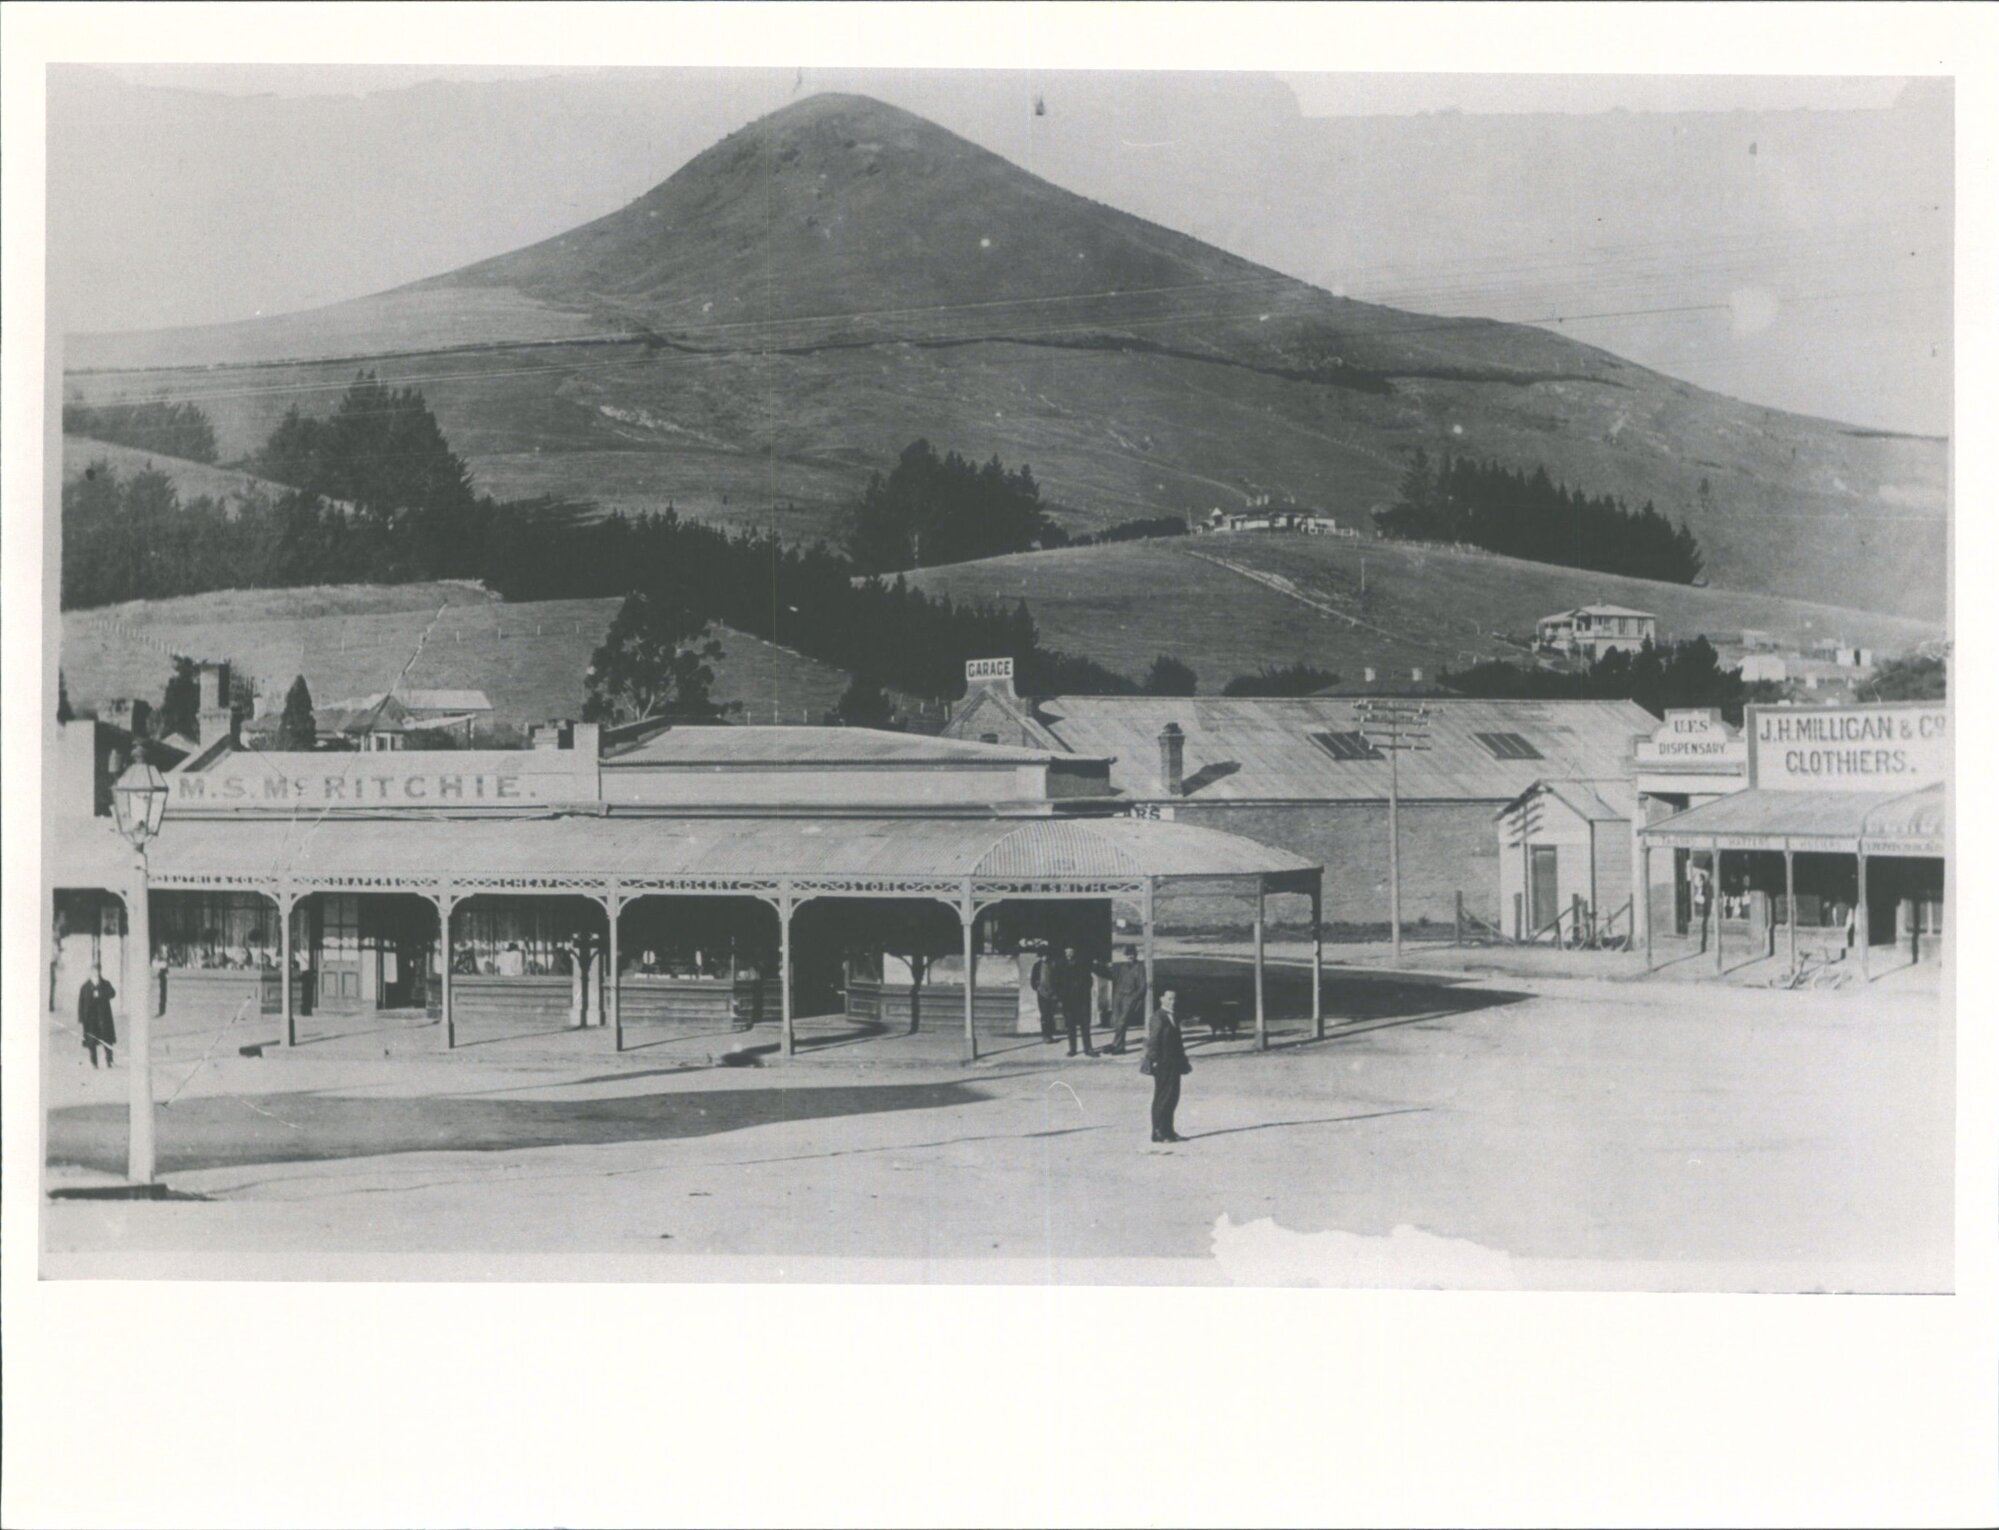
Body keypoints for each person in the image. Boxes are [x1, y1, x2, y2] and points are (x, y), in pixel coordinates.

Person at [1141, 989, 1191, 1143]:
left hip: (1174, 1063)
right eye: (1169, 998)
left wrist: (1183, 1061)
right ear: (1162, 999)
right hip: (1163, 1064)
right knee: (1162, 1098)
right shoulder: (1158, 1017)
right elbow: (1153, 1041)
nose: (1172, 1002)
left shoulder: (1173, 1017)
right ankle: (1157, 1132)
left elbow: (1177, 1043)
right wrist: (1153, 1060)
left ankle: (1168, 1131)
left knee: (1172, 1097)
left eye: (1174, 999)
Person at [1047, 943, 1100, 1057]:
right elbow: (1054, 982)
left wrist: (1084, 989)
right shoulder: (1060, 965)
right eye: (1067, 951)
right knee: (1070, 1025)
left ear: (1074, 952)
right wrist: (1060, 996)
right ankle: (1073, 1049)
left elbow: (1089, 980)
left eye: (1071, 951)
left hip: (1082, 1000)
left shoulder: (1081, 963)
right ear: (1064, 952)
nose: (1069, 953)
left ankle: (1088, 1048)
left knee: (1085, 1025)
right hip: (1068, 1000)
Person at [1104, 943, 1147, 1055]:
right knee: (1117, 1022)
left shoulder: (1140, 967)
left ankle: (1118, 1046)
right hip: (1119, 996)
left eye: (1132, 954)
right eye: (1128, 954)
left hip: (1129, 997)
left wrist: (1135, 998)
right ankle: (1117, 1045)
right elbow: (1115, 978)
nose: (1130, 956)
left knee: (1122, 1022)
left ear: (1135, 955)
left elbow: (1142, 986)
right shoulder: (1123, 967)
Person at [77, 960, 118, 1069]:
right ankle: (94, 1062)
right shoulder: (85, 987)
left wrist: (101, 994)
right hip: (90, 1018)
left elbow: (112, 993)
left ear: (100, 972)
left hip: (103, 1016)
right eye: (93, 971)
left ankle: (109, 1060)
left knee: (107, 1039)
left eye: (97, 971)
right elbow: (81, 1003)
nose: (95, 973)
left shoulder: (105, 984)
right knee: (92, 1041)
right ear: (90, 972)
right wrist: (81, 1017)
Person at [1029, 944, 1059, 1043]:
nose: (1045, 957)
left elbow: (1057, 978)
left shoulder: (1053, 964)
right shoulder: (1037, 966)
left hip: (1053, 993)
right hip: (1042, 993)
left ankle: (1051, 1034)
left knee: (1051, 1014)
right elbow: (1033, 979)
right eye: (1043, 955)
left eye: (1046, 955)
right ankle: (1045, 1035)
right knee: (1044, 1015)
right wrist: (1036, 987)